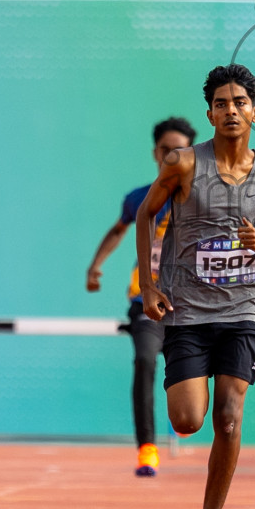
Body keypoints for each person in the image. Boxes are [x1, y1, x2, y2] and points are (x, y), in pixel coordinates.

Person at [136, 64, 255, 509]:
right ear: (210, 113)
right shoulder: (183, 163)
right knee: (187, 421)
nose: (231, 110)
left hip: (243, 307)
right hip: (187, 311)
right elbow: (145, 214)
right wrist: (150, 286)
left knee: (228, 416)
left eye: (239, 103)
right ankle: (202, 506)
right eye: (221, 103)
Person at [86, 117, 197, 477]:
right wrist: (96, 265)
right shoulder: (140, 198)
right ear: (155, 153)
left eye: (179, 151)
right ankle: (147, 447)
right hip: (146, 302)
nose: (171, 156)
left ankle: (187, 415)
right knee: (146, 361)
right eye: (165, 150)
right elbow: (118, 230)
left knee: (193, 373)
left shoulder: (202, 198)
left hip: (193, 306)